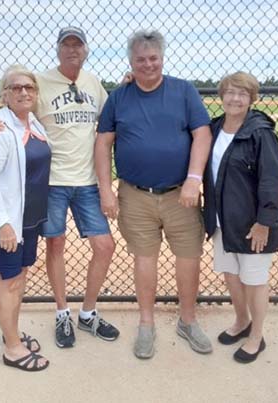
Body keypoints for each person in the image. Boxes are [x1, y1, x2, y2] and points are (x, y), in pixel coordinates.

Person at [0, 27, 119, 349]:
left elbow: (112, 119)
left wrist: (126, 87)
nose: (72, 50)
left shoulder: (93, 83)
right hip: (52, 183)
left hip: (86, 182)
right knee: (55, 246)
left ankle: (88, 312)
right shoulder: (40, 82)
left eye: (77, 45)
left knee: (105, 245)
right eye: (66, 45)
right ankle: (62, 312)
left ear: (85, 51)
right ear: (57, 51)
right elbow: (15, 112)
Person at [95, 30, 213, 359]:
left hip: (181, 194)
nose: (147, 64)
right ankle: (146, 323)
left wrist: (193, 179)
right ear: (130, 62)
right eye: (140, 60)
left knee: (188, 258)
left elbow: (201, 134)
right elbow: (103, 143)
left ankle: (187, 321)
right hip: (135, 194)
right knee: (144, 259)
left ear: (162, 58)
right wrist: (107, 190)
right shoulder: (120, 96)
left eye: (153, 58)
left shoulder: (183, 91)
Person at [0, 65, 51, 371]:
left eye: (29, 87)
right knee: (9, 281)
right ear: (4, 94)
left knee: (19, 277)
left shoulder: (34, 123)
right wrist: (3, 223)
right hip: (6, 223)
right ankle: (13, 349)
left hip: (28, 220)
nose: (23, 92)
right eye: (15, 88)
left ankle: (11, 334)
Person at [203, 72, 278, 363]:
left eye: (242, 93)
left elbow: (273, 181)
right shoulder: (214, 129)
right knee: (231, 274)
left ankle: (257, 336)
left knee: (254, 280)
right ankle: (241, 322)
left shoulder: (260, 132)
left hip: (253, 224)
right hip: (222, 221)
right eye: (230, 92)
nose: (235, 98)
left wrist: (264, 222)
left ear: (252, 99)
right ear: (221, 95)